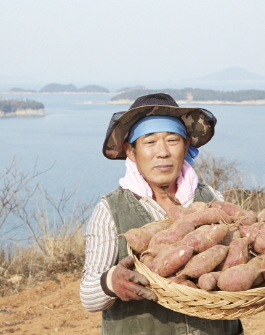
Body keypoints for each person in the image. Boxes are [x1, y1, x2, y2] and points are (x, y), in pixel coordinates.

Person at [80, 92, 244, 335]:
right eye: (149, 142)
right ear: (131, 151)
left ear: (186, 145)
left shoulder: (212, 201)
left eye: (172, 140)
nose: (163, 152)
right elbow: (89, 298)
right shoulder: (111, 211)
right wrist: (110, 282)